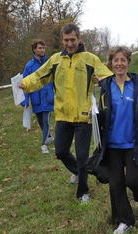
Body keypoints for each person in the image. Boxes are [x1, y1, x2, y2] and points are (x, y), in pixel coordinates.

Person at [19, 23, 113, 204]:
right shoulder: (55, 60)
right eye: (66, 40)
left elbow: (107, 77)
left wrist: (106, 82)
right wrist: (25, 83)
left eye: (73, 40)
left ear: (79, 39)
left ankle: (83, 192)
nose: (69, 43)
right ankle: (78, 171)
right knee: (61, 152)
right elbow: (39, 76)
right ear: (62, 40)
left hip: (83, 117)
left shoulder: (90, 59)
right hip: (62, 116)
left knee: (83, 156)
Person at [97, 46, 138, 234]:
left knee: (133, 179)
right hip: (113, 145)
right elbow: (100, 114)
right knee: (116, 184)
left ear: (128, 62)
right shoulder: (105, 86)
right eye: (115, 60)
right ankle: (125, 220)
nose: (119, 63)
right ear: (110, 64)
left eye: (123, 60)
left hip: (134, 143)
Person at [21, 39, 55, 154]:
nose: (42, 50)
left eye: (43, 48)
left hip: (48, 97)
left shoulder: (50, 63)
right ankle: (49, 137)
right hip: (36, 99)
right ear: (34, 50)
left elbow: (56, 80)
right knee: (41, 122)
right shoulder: (29, 66)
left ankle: (44, 144)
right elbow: (24, 84)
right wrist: (25, 101)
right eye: (40, 48)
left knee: (46, 121)